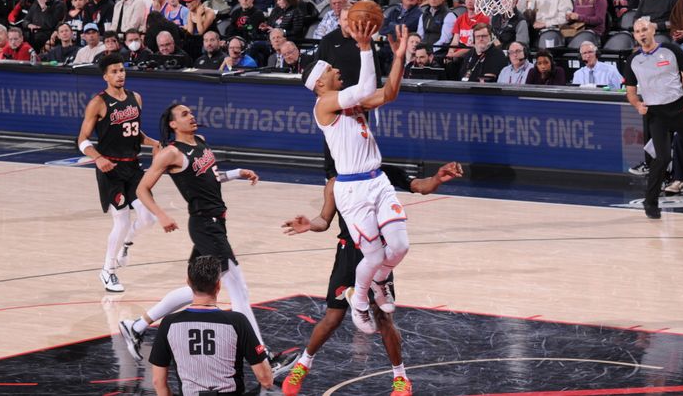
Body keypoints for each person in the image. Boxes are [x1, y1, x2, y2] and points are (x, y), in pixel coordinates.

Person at [118, 103, 299, 375]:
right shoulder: (170, 153)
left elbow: (211, 179)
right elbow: (142, 189)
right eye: (184, 114)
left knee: (196, 290)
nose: (191, 116)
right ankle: (265, 361)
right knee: (240, 291)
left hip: (214, 223)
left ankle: (136, 326)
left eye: (191, 112)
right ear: (172, 124)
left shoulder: (200, 143)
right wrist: (162, 215)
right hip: (205, 225)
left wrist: (237, 173)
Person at [280, 163, 462, 396]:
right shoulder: (336, 183)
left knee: (383, 317)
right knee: (333, 317)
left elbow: (418, 186)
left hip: (378, 254)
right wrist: (309, 225)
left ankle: (400, 379)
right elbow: (324, 219)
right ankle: (302, 366)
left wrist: (437, 178)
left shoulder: (381, 174)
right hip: (348, 253)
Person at [304, 21, 410, 334]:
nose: (337, 69)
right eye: (330, 70)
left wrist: (399, 58)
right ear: (320, 83)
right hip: (351, 188)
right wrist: (366, 47)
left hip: (377, 180)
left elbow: (387, 93)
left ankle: (376, 283)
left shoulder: (352, 101)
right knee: (375, 253)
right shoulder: (324, 105)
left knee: (400, 246)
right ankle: (359, 298)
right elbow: (365, 89)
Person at [77, 53, 170, 293]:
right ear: (105, 76)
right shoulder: (98, 102)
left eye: (122, 70)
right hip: (111, 168)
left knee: (148, 218)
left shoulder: (135, 98)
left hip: (133, 166)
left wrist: (152, 142)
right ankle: (108, 271)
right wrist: (97, 158)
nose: (120, 75)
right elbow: (82, 140)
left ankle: (126, 244)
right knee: (122, 220)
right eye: (115, 72)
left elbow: (133, 131)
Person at [148, 255, 275, 396]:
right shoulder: (237, 321)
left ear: (188, 283)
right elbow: (266, 380)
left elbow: (158, 382)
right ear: (218, 285)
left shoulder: (169, 323)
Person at [625, 17, 683, 219]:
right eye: (637, 31)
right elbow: (630, 91)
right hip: (656, 114)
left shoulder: (670, 50)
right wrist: (637, 104)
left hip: (680, 108)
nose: (641, 34)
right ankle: (650, 204)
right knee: (662, 158)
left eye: (644, 29)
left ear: (651, 31)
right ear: (635, 36)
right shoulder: (633, 60)